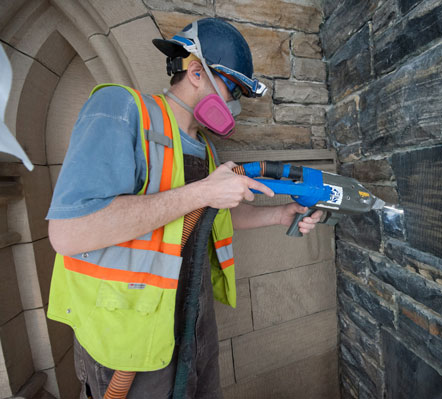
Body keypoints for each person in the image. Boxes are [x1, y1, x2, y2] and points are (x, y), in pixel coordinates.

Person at [46, 18, 322, 399]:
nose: (234, 106)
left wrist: (278, 214)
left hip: (191, 321)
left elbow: (207, 217)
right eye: (233, 90)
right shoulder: (121, 110)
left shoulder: (205, 148)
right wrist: (200, 192)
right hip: (125, 337)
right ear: (195, 71)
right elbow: (69, 232)